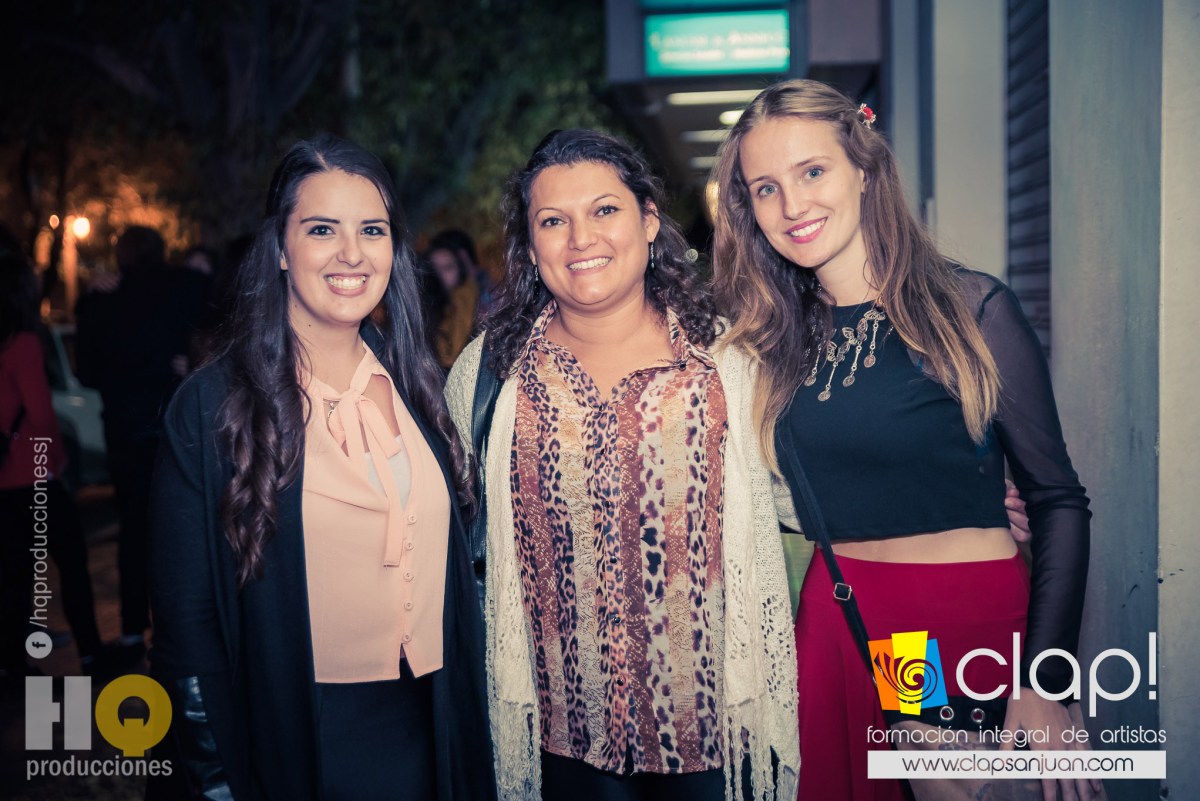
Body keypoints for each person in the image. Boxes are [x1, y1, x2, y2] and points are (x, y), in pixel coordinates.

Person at [711, 79, 1096, 801]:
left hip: (955, 620)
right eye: (766, 188)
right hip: (846, 619)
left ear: (864, 168)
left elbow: (1057, 500)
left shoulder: (969, 308)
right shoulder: (767, 343)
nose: (792, 205)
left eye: (812, 171)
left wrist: (1046, 682)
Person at [444, 129, 800, 801]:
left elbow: (808, 495)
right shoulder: (488, 377)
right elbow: (443, 519)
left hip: (711, 739)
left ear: (648, 220)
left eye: (604, 210)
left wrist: (953, 499)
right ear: (530, 246)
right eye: (553, 221)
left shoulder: (729, 366)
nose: (581, 239)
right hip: (560, 743)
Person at [147, 135, 495, 801]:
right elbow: (186, 634)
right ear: (281, 248)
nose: (351, 253)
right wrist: (216, 785)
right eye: (321, 229)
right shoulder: (214, 406)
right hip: (296, 745)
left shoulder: (418, 384)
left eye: (372, 230)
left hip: (429, 737)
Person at [75, 225, 207, 662]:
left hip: (125, 429)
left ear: (121, 255)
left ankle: (133, 630)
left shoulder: (102, 300)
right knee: (183, 527)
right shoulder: (186, 286)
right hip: (177, 424)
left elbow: (86, 373)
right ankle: (179, 629)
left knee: (133, 530)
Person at [0, 245, 104, 678]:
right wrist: (56, 463)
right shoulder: (23, 343)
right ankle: (91, 655)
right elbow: (42, 416)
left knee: (14, 572)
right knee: (72, 564)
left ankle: (11, 663)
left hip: (4, 479)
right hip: (34, 475)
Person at [425, 232, 480, 369]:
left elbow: (450, 355)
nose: (440, 275)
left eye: (447, 267)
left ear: (461, 269)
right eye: (433, 268)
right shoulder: (425, 302)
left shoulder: (465, 297)